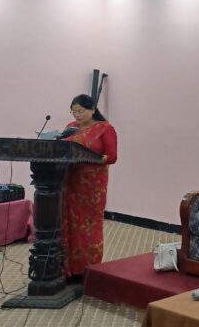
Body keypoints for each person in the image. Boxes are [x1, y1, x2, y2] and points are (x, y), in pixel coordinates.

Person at [62, 94, 118, 282]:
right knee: (69, 223)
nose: (77, 115)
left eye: (81, 111)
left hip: (92, 186)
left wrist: (90, 158)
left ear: (92, 109)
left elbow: (112, 156)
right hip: (69, 180)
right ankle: (68, 269)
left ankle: (87, 269)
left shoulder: (105, 128)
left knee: (89, 226)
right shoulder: (70, 128)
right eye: (74, 111)